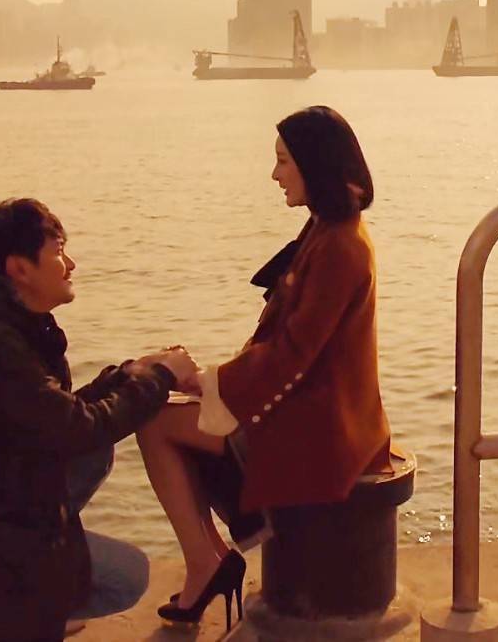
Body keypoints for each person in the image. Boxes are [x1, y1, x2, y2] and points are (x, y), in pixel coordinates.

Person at [0, 197, 199, 642]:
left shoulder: (0, 326)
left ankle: (11, 616)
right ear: (20, 268)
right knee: (125, 576)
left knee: (92, 456)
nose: (70, 264)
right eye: (58, 251)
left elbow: (52, 415)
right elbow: (77, 427)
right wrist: (161, 378)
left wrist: (129, 374)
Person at [135, 106, 393, 630]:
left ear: (314, 165)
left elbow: (293, 353)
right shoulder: (327, 230)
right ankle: (209, 559)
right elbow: (285, 348)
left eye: (283, 162)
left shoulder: (340, 247)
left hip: (322, 426)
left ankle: (206, 562)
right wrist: (209, 383)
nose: (275, 174)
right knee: (167, 409)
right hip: (314, 407)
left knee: (155, 422)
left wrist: (208, 382)